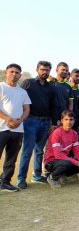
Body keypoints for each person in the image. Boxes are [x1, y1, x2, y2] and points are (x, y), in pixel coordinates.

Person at [17, 61, 55, 189]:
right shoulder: (28, 83)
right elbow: (19, 99)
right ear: (37, 70)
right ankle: (21, 179)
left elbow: (52, 106)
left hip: (45, 122)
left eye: (47, 70)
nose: (45, 72)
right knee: (27, 152)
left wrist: (52, 123)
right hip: (30, 121)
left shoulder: (51, 87)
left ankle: (37, 176)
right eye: (42, 69)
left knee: (39, 151)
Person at [0, 64, 31, 192]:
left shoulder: (22, 91)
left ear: (20, 75)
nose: (14, 74)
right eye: (11, 71)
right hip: (1, 128)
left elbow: (27, 109)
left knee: (11, 158)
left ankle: (5, 182)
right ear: (6, 73)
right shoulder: (1, 87)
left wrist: (20, 120)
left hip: (18, 130)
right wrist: (9, 119)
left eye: (17, 72)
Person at [44, 111, 79, 188]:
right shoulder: (56, 133)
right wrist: (77, 163)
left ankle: (63, 174)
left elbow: (77, 151)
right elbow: (58, 155)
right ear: (62, 121)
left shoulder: (74, 133)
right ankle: (52, 178)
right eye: (66, 119)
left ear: (74, 121)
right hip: (51, 162)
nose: (69, 122)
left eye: (71, 119)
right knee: (67, 163)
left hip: (64, 160)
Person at [50, 62, 74, 127]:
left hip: (63, 120)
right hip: (49, 119)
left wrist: (68, 116)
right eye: (63, 70)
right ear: (56, 70)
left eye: (66, 70)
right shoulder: (50, 83)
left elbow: (70, 103)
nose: (65, 72)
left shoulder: (68, 86)